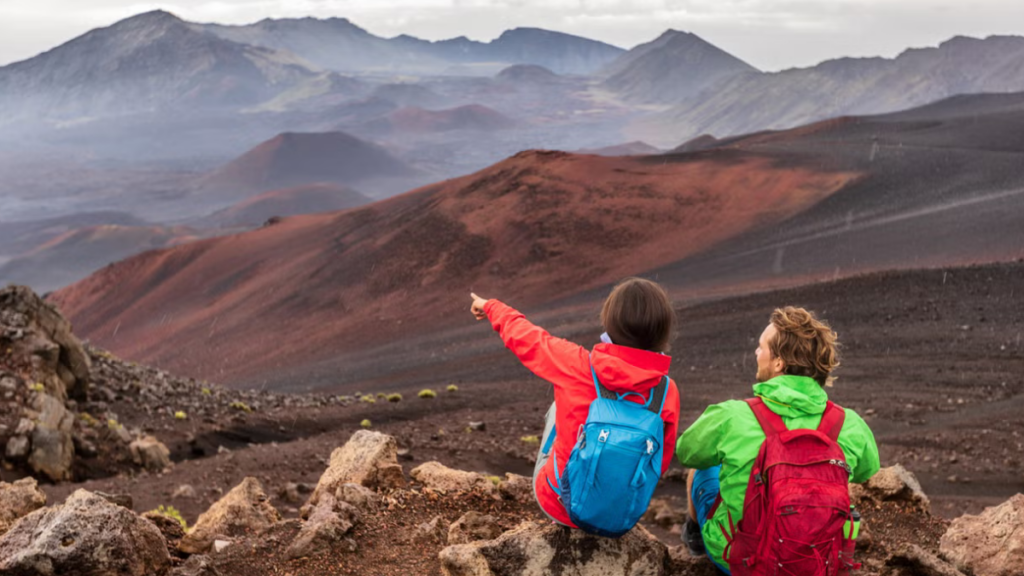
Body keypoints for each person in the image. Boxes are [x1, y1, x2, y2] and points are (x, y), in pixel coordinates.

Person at [676, 306, 880, 574]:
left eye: (761, 348)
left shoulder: (732, 416)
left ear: (778, 363)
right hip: (817, 562)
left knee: (703, 470)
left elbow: (687, 452)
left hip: (744, 562)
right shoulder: (849, 424)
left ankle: (695, 540)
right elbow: (866, 470)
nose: (756, 353)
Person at [470, 277, 680, 529]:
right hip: (619, 515)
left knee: (561, 403)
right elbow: (661, 461)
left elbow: (526, 337)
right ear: (662, 331)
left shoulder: (576, 365)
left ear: (610, 323)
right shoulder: (667, 392)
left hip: (559, 503)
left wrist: (490, 306)